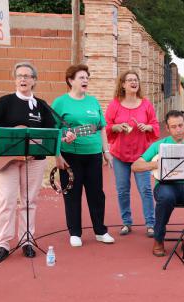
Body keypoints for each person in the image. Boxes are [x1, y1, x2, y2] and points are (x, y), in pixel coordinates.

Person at [0, 62, 75, 262]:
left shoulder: (42, 105)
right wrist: (2, 134)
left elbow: (51, 131)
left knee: (29, 201)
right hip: (8, 161)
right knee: (6, 200)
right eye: (19, 76)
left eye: (27, 76)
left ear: (34, 80)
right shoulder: (5, 102)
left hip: (35, 160)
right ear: (15, 79)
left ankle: (27, 240)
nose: (23, 79)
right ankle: (3, 244)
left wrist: (64, 138)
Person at [132, 110, 184, 257]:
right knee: (166, 198)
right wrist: (156, 164)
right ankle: (158, 239)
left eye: (181, 125)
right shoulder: (158, 145)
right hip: (165, 185)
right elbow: (135, 166)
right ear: (167, 128)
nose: (178, 130)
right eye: (174, 127)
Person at [53, 64, 115, 247]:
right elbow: (53, 130)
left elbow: (102, 127)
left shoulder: (93, 101)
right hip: (70, 156)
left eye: (87, 77)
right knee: (72, 193)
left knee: (96, 194)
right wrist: (57, 155)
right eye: (81, 77)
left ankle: (100, 231)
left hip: (93, 155)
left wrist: (106, 151)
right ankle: (75, 232)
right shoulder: (60, 103)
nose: (85, 80)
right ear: (71, 81)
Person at [105, 70, 160, 237]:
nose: (133, 82)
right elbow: (106, 126)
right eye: (129, 80)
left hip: (141, 156)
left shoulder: (146, 104)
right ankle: (126, 222)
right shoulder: (114, 104)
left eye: (135, 80)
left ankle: (151, 224)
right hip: (120, 154)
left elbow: (155, 126)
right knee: (122, 190)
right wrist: (116, 127)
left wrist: (147, 127)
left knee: (145, 190)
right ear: (122, 84)